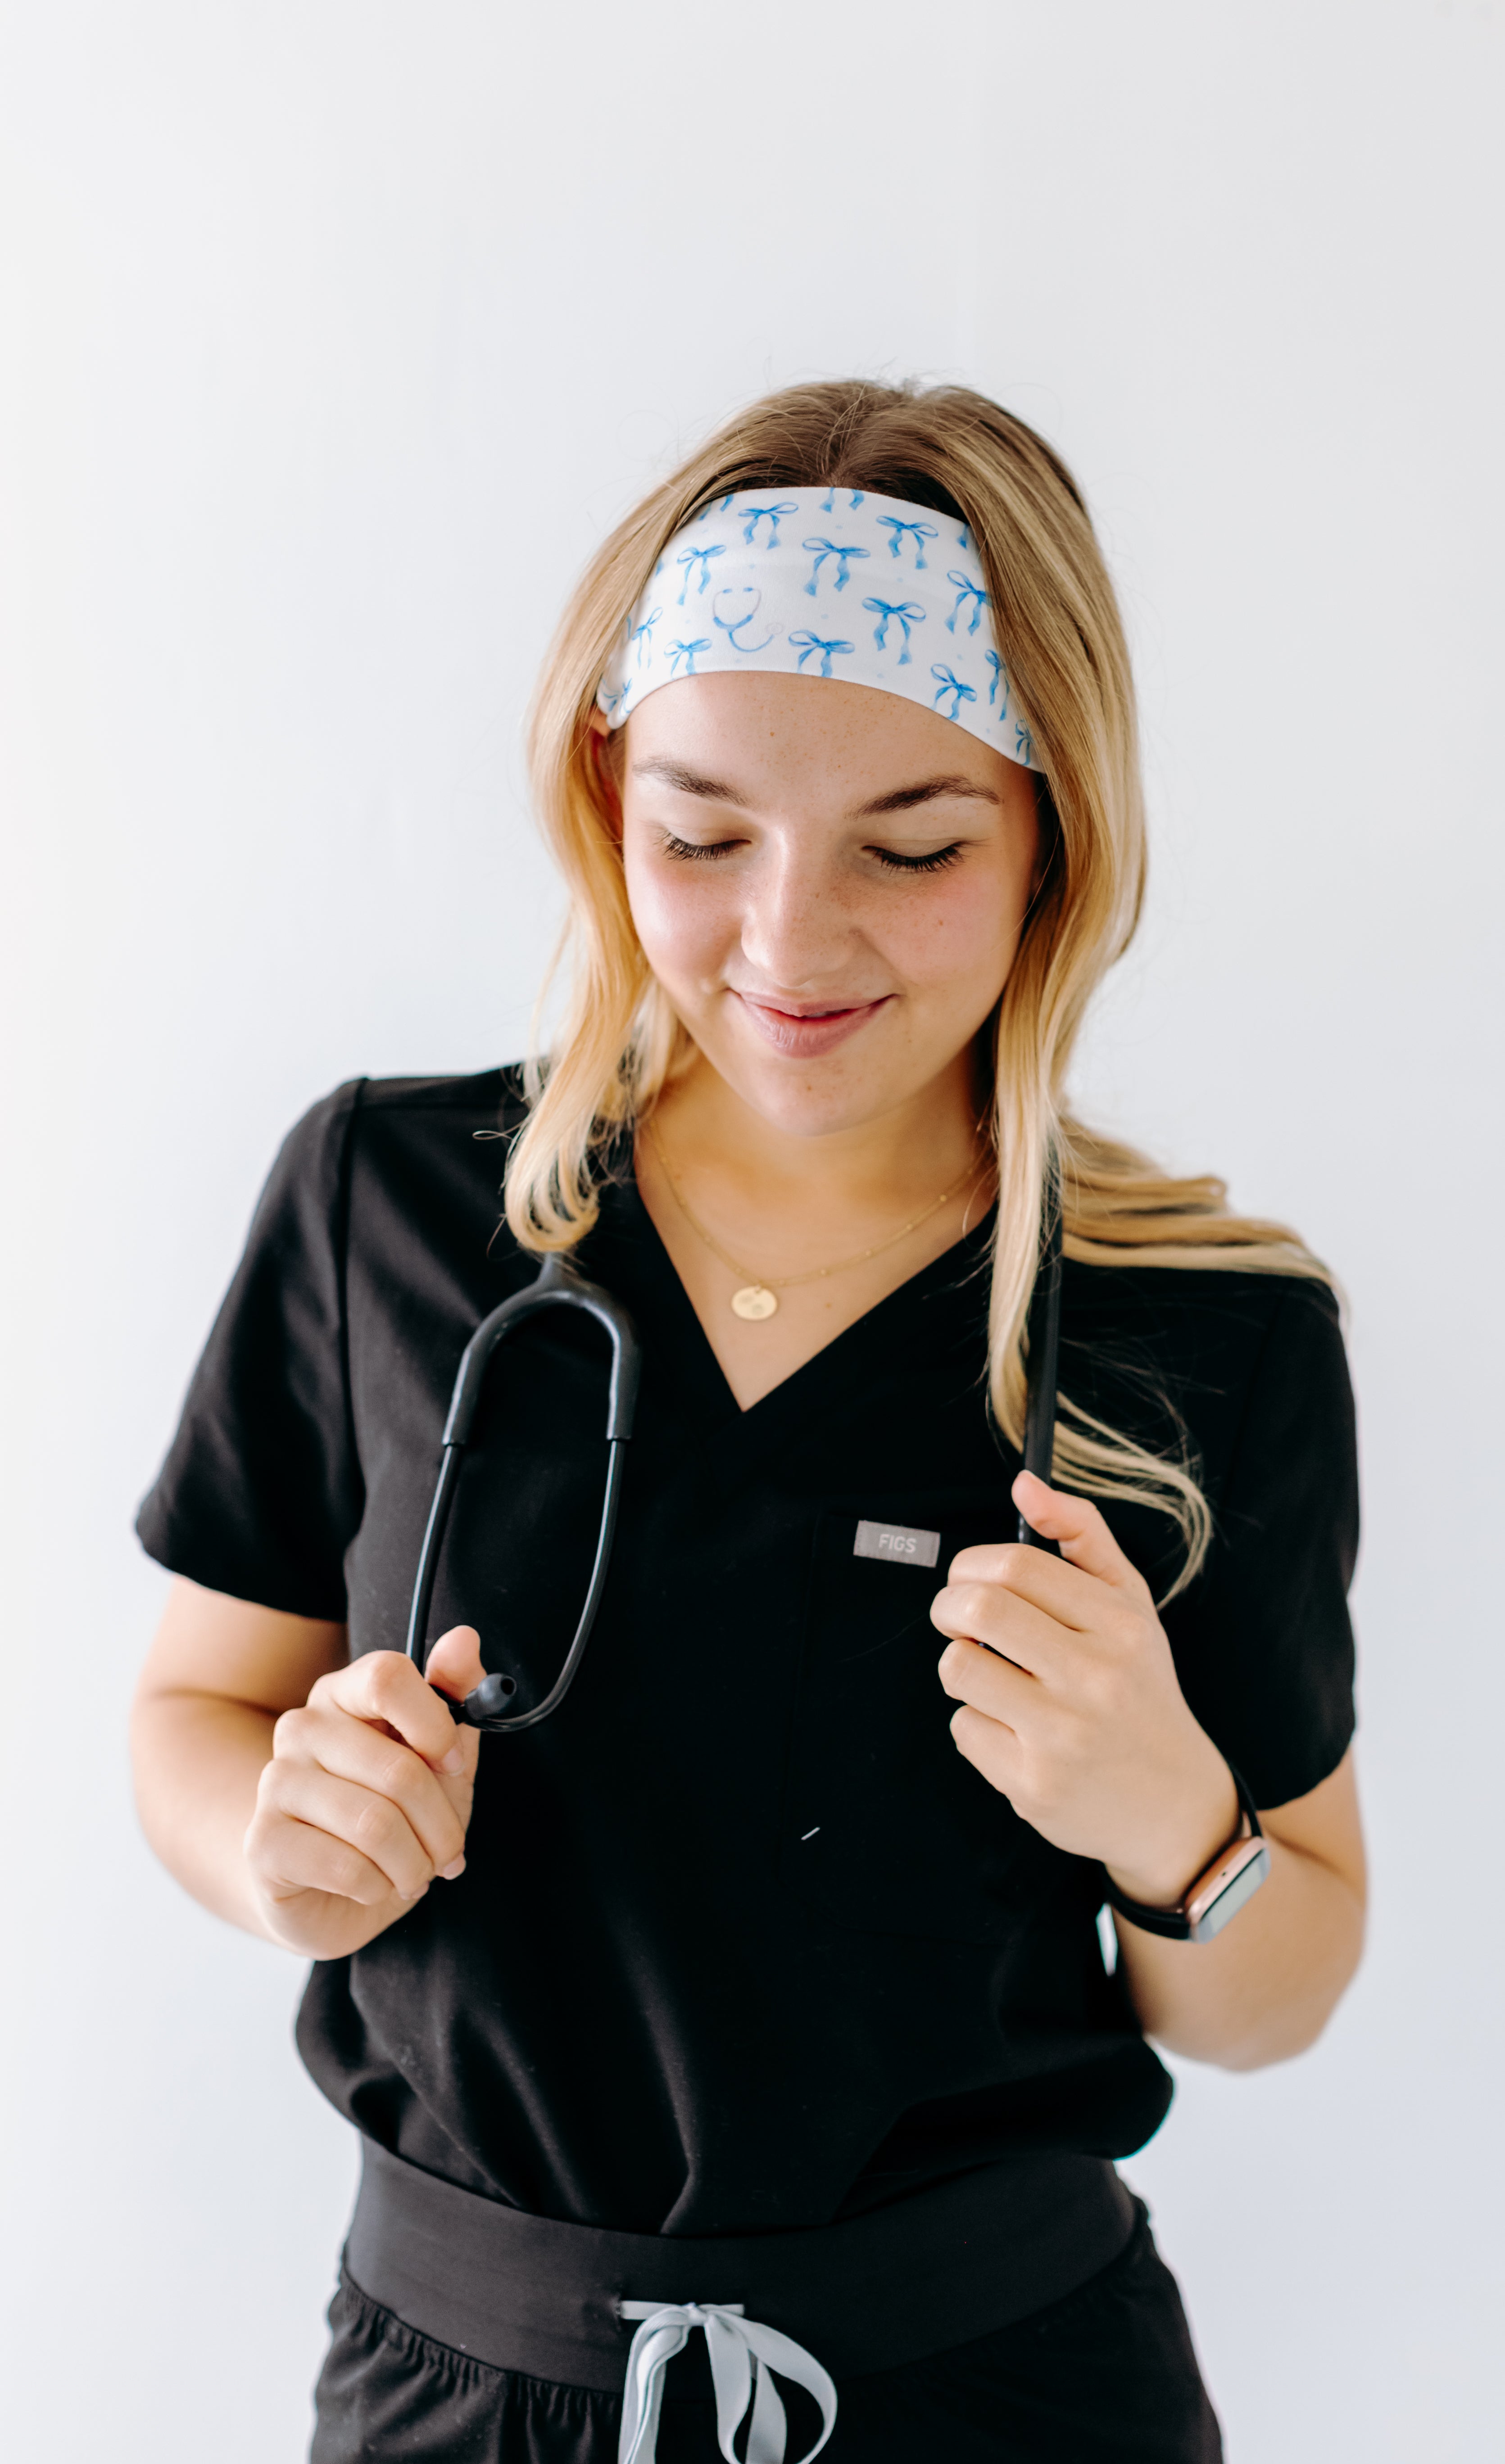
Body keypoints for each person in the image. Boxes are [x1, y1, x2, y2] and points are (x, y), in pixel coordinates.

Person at [130, 379, 1366, 2464]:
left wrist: (1169, 1818)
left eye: (914, 844)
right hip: (462, 2393)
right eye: (703, 834)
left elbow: (1284, 1979)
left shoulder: (1206, 1329)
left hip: (1004, 2395)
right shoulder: (387, 1208)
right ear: (603, 795)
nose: (790, 942)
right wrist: (283, 1851)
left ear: (1057, 832)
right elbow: (195, 1715)